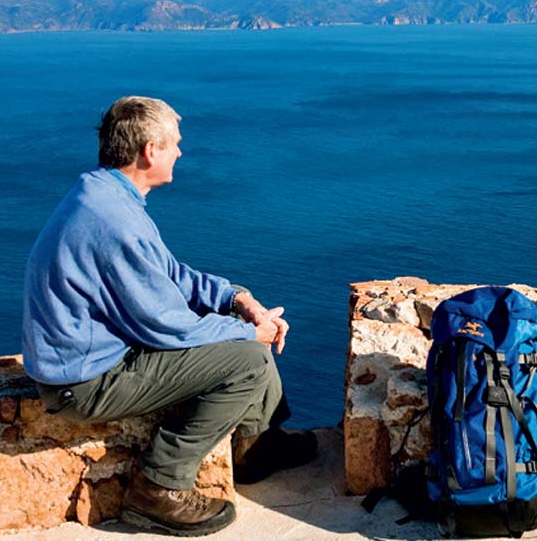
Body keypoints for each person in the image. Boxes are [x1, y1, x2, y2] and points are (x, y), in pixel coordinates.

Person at [22, 96, 317, 536]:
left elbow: (170, 276)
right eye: (174, 143)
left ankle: (258, 445)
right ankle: (158, 486)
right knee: (248, 358)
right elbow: (166, 326)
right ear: (150, 150)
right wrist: (248, 332)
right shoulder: (113, 220)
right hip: (83, 383)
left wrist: (236, 299)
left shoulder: (105, 195)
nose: (180, 151)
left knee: (243, 341)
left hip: (90, 362)